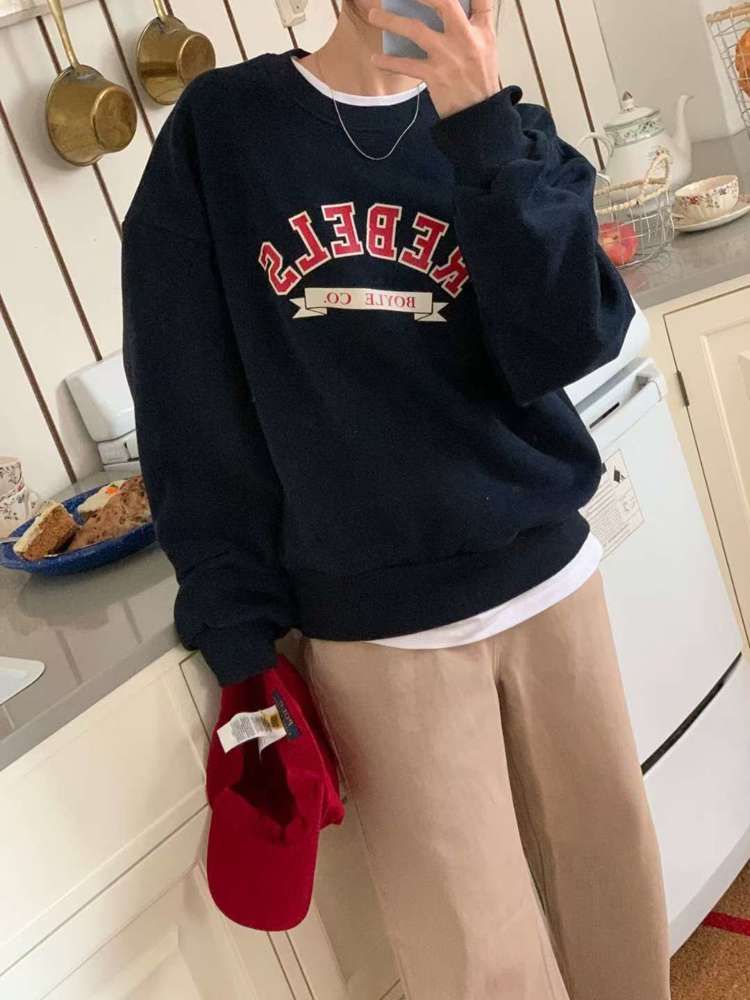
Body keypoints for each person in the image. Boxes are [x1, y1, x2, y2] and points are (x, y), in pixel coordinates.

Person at [121, 1, 672, 997]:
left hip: (551, 584)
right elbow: (188, 410)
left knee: (616, 899)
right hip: (380, 635)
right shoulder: (225, 132)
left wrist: (481, 128)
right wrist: (240, 640)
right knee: (476, 963)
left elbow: (567, 343)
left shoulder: (508, 131)